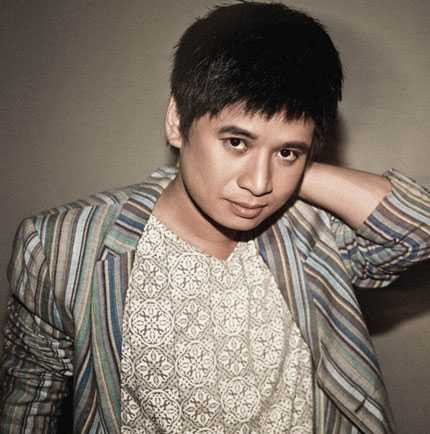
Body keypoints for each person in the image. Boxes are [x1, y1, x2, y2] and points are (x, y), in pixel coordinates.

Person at [1, 2, 429, 433]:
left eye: (288, 151)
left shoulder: (311, 232)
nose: (259, 184)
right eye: (237, 142)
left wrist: (295, 170)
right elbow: (28, 404)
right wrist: (281, 157)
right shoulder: (62, 246)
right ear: (177, 122)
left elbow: (419, 228)